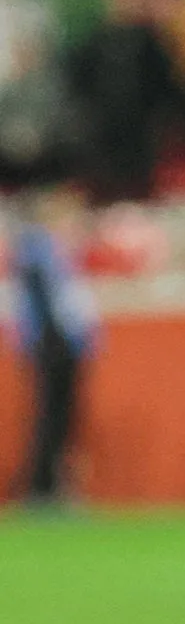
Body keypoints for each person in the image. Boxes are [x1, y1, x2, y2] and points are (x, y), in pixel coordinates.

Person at [6, 201, 98, 503]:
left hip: (60, 344)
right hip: (52, 345)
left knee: (60, 418)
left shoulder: (56, 255)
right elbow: (49, 305)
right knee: (51, 417)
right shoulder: (38, 252)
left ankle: (49, 484)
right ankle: (41, 486)